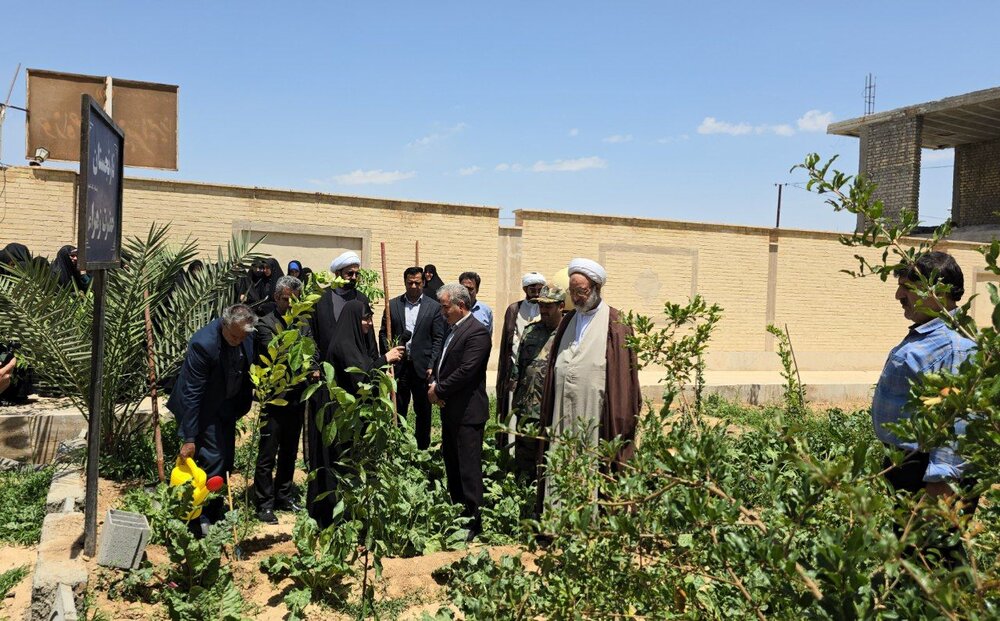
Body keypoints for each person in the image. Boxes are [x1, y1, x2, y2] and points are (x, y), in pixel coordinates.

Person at [873, 251, 978, 565]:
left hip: (930, 476)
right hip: (910, 469)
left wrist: (940, 484)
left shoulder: (955, 345)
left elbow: (960, 419)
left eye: (907, 288)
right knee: (914, 558)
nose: (898, 295)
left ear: (940, 293)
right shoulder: (930, 333)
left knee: (930, 561)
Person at [537, 258, 642, 508]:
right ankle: (558, 517)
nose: (577, 297)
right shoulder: (568, 321)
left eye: (581, 291)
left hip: (595, 414)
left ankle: (591, 521)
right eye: (572, 292)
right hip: (563, 412)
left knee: (591, 459)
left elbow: (624, 381)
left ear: (596, 288)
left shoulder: (616, 323)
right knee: (561, 457)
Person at [308, 300, 404, 528]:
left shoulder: (355, 342)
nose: (369, 323)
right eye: (364, 318)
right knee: (339, 463)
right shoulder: (343, 344)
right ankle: (336, 517)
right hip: (339, 416)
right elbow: (359, 380)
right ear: (352, 319)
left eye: (370, 318)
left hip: (350, 415)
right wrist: (385, 360)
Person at [166, 304, 257, 534]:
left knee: (226, 459)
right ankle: (198, 517)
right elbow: (191, 393)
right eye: (235, 336)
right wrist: (189, 437)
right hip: (202, 408)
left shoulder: (244, 335)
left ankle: (215, 510)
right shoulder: (203, 344)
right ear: (225, 325)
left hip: (226, 405)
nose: (239, 340)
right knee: (211, 458)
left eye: (243, 336)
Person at [428, 283, 492, 540]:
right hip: (451, 409)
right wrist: (435, 381)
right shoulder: (452, 328)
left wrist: (439, 390)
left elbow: (466, 371)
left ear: (461, 306)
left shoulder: (477, 333)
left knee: (468, 468)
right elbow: (443, 360)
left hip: (468, 412)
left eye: (445, 307)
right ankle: (458, 511)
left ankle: (474, 521)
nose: (442, 312)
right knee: (452, 463)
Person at [253, 276, 308, 523]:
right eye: (287, 299)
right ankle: (264, 503)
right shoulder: (265, 324)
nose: (291, 304)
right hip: (274, 399)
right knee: (268, 453)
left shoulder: (303, 323)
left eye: (296, 299)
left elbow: (311, 349)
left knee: (289, 450)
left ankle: (283, 495)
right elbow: (275, 353)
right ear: (276, 298)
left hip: (296, 397)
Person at [380, 267, 446, 449]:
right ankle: (398, 446)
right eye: (411, 283)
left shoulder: (433, 307)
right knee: (398, 408)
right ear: (405, 283)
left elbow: (438, 338)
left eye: (418, 282)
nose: (414, 286)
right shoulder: (392, 305)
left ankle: (422, 448)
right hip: (399, 367)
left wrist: (433, 364)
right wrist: (387, 360)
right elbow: (384, 334)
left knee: (423, 411)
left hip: (422, 368)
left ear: (423, 282)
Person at [509, 285, 565, 480]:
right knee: (524, 454)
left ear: (561, 306)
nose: (543, 310)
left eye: (548, 306)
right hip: (526, 406)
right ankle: (522, 491)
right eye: (541, 305)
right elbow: (519, 366)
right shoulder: (531, 330)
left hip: (552, 407)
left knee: (549, 454)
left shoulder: (568, 334)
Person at [496, 272, 546, 440]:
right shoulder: (514, 309)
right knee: (512, 407)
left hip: (538, 369)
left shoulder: (546, 308)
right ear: (525, 288)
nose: (536, 291)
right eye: (533, 288)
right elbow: (509, 339)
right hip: (515, 367)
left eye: (540, 288)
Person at [311, 251, 370, 364]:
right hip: (326, 363)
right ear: (338, 274)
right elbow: (311, 333)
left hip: (354, 366)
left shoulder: (362, 299)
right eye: (350, 273)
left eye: (356, 274)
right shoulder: (320, 298)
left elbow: (369, 337)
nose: (354, 277)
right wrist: (314, 365)